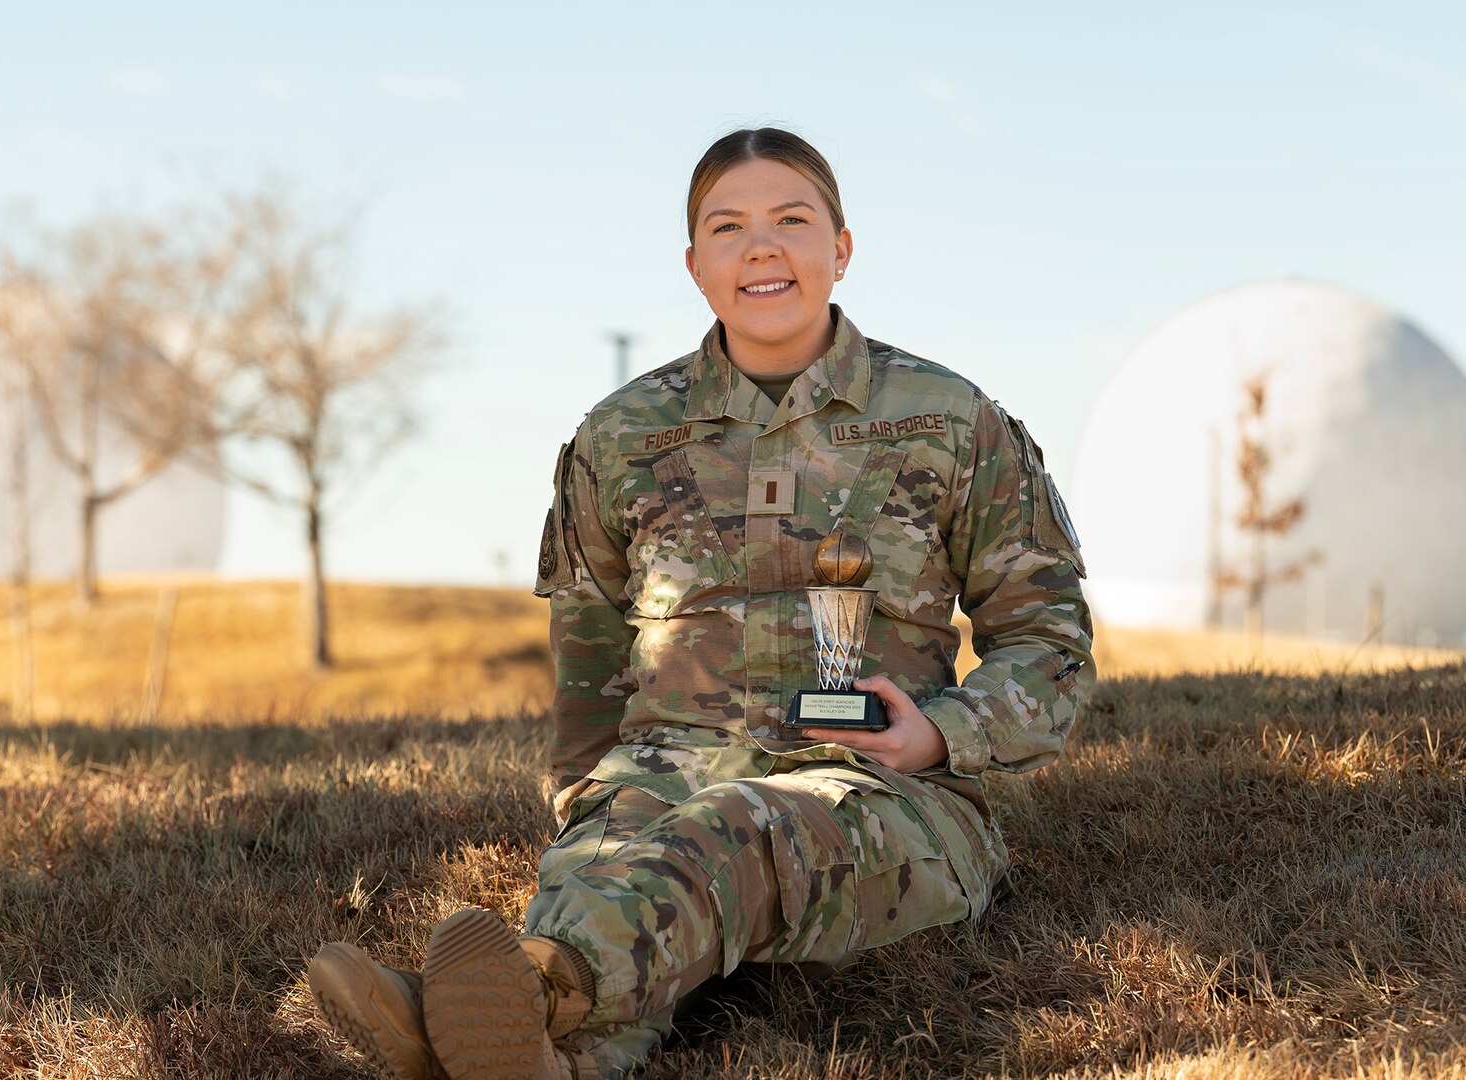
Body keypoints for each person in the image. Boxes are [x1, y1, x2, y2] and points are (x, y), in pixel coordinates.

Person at [307, 127, 1094, 1080]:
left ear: (841, 248)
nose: (761, 248)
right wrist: (587, 801)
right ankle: (543, 1050)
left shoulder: (948, 421)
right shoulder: (622, 434)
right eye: (728, 228)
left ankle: (496, 1001)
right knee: (607, 868)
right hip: (657, 776)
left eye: (791, 221)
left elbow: (1047, 642)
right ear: (694, 265)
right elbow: (588, 641)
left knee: (724, 832)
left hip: (885, 799)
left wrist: (940, 734)